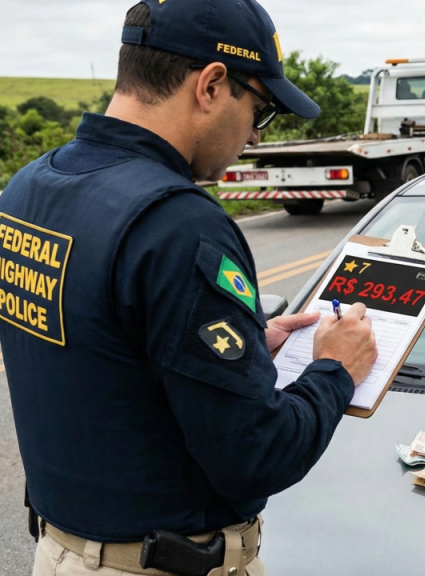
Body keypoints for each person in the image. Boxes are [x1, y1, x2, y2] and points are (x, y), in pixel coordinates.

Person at [0, 1, 378, 574]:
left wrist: (247, 344)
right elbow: (259, 455)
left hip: (61, 551)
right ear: (211, 84)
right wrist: (335, 370)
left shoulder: (30, 188)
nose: (253, 134)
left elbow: (102, 354)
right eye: (260, 109)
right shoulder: (177, 224)